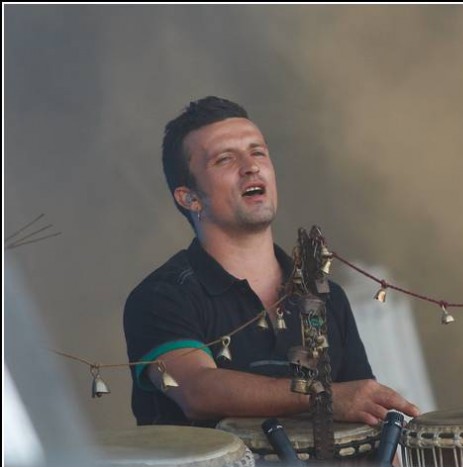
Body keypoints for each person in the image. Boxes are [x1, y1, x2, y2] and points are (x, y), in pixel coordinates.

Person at [123, 96, 420, 427]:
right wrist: (323, 397)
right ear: (190, 198)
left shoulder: (325, 297)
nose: (251, 166)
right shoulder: (162, 296)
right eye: (224, 159)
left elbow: (365, 420)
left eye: (258, 152)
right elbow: (195, 390)